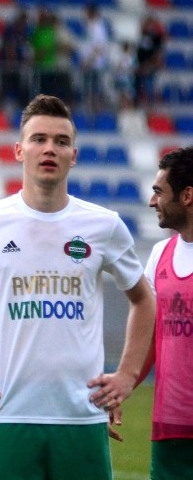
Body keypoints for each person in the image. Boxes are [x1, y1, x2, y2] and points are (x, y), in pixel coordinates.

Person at [0, 94, 156, 480]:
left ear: (73, 156)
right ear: (18, 150)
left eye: (61, 142)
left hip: (82, 417)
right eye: (39, 139)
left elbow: (144, 299)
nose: (49, 148)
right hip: (7, 415)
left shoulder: (104, 226)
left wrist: (127, 375)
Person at [141, 146, 193, 480]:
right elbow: (147, 333)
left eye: (159, 192)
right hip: (170, 425)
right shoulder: (159, 254)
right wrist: (123, 386)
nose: (151, 201)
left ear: (187, 195)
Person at [134, 14, 165, 110]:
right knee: (138, 86)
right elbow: (139, 51)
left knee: (148, 85)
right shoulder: (143, 36)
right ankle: (139, 105)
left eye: (149, 24)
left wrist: (149, 65)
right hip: (140, 65)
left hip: (149, 66)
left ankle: (151, 106)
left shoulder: (156, 37)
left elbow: (157, 53)